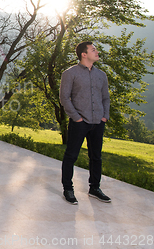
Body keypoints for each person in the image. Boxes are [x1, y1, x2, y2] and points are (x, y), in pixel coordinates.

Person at [59, 41, 111, 205]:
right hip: (79, 122)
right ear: (84, 54)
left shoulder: (101, 75)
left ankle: (94, 188)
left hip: (98, 122)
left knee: (96, 157)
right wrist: (77, 118)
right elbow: (64, 98)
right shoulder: (70, 73)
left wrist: (105, 116)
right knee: (71, 156)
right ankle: (68, 189)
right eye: (93, 50)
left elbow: (105, 98)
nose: (96, 52)